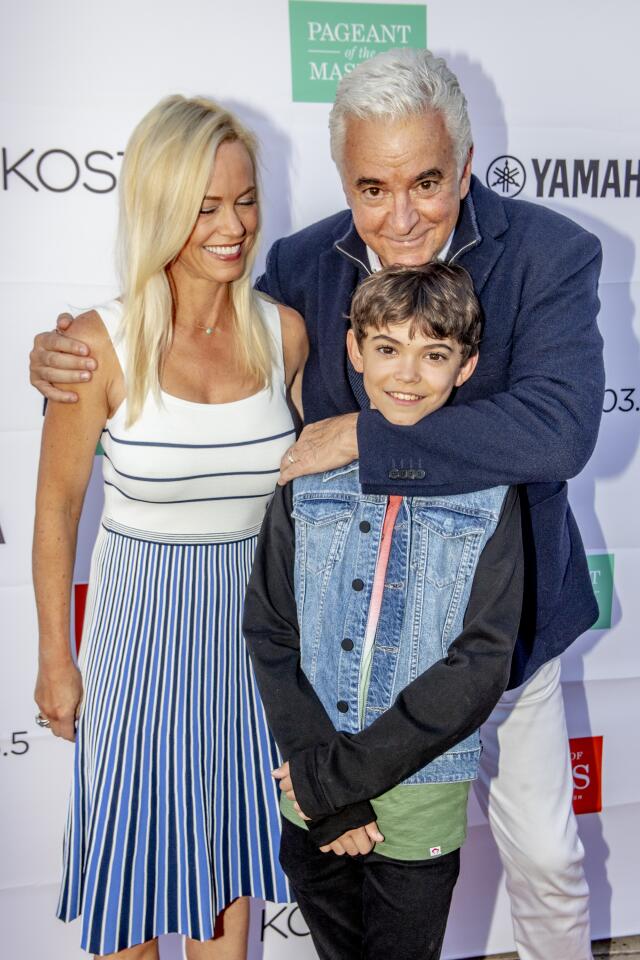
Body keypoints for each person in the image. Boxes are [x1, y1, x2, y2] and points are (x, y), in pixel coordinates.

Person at [30, 49, 604, 960]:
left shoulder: (547, 254)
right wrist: (61, 356)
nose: (401, 214)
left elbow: (560, 430)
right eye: (372, 188)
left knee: (541, 851)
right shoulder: (303, 268)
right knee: (331, 871)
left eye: (426, 181)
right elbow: (194, 343)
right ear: (343, 180)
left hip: (500, 625)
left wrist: (365, 438)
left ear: (463, 164)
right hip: (347, 644)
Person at [31, 95, 306, 959]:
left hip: (251, 647)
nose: (233, 227)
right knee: (132, 887)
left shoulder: (284, 336)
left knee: (226, 882)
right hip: (137, 647)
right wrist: (54, 660)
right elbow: (55, 514)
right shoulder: (96, 346)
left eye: (245, 199)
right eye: (204, 206)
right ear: (160, 208)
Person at [243, 262, 524, 960]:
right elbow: (271, 628)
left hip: (414, 789)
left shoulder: (491, 492)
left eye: (434, 354)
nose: (407, 373)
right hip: (311, 794)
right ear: (354, 351)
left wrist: (338, 782)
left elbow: (480, 662)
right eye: (388, 348)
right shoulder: (309, 472)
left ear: (466, 366)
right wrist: (326, 791)